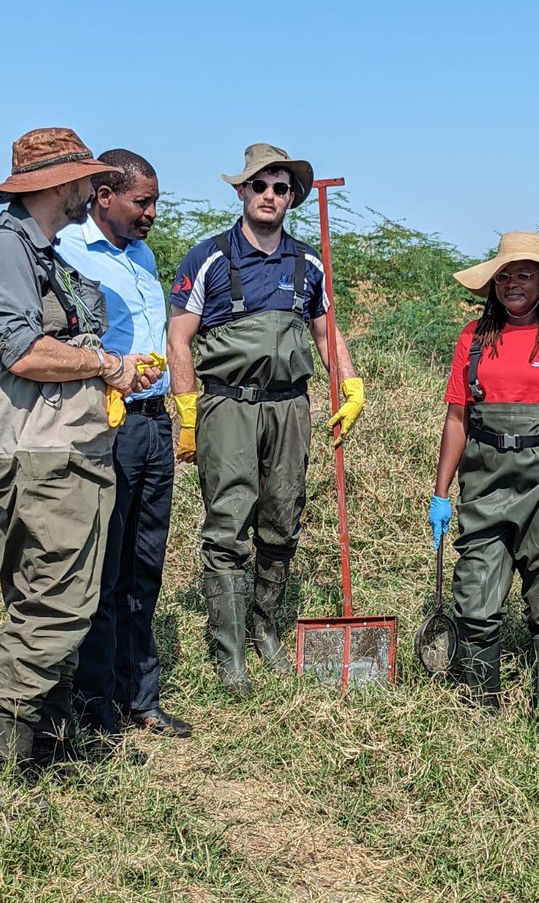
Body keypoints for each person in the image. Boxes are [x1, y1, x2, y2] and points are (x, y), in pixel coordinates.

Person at [0, 127, 161, 773]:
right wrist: (107, 363)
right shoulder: (3, 249)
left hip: (67, 449)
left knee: (60, 602)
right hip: (39, 453)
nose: (92, 191)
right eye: (85, 180)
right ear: (59, 184)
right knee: (54, 606)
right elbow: (22, 349)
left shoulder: (42, 252)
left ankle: (44, 746)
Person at [167, 143, 364, 695]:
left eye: (280, 187)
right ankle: (229, 655)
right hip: (227, 405)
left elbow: (326, 332)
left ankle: (265, 630)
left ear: (292, 197)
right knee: (229, 524)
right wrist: (186, 411)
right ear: (241, 192)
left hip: (290, 406)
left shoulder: (308, 263)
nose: (270, 195)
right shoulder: (207, 257)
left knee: (282, 518)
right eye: (260, 185)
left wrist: (348, 383)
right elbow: (179, 338)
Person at [429, 232, 539, 718]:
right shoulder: (473, 337)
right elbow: (457, 419)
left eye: (524, 274)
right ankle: (482, 709)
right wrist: (441, 492)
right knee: (474, 600)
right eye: (504, 275)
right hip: (485, 483)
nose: (512, 284)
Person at [56, 149, 192, 740]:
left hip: (154, 423)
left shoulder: (142, 255)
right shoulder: (68, 252)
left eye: (155, 202)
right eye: (142, 201)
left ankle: (143, 697)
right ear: (103, 196)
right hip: (105, 423)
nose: (152, 213)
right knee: (105, 569)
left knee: (145, 565)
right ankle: (97, 704)